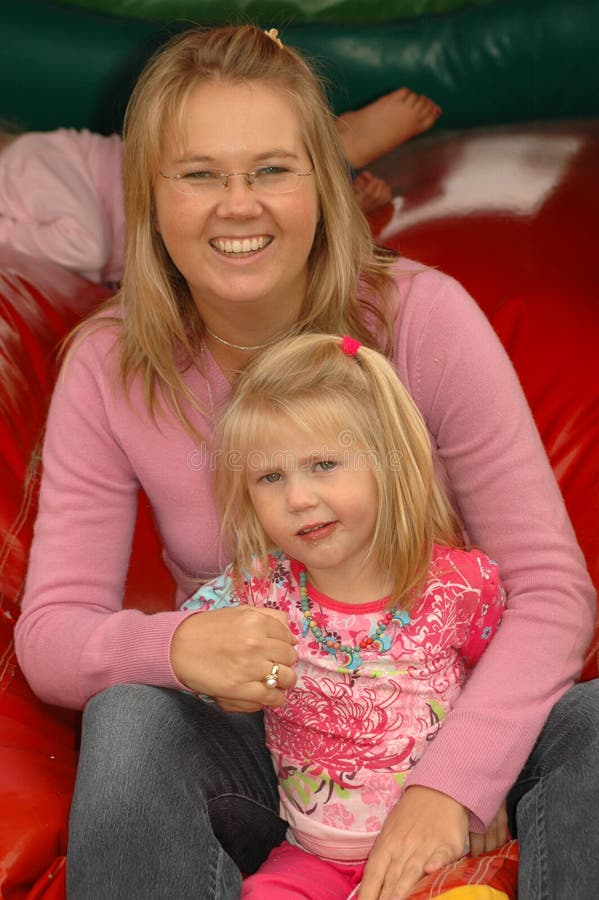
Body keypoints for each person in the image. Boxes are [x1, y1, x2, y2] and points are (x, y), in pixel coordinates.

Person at [13, 22, 597, 900]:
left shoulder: (421, 318)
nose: (236, 206)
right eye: (199, 174)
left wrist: (450, 784)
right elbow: (52, 632)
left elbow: (553, 591)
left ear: (322, 183)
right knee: (128, 719)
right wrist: (176, 647)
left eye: (272, 171)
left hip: (451, 714)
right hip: (276, 750)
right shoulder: (111, 363)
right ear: (149, 196)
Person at [180, 332, 507, 899]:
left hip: (435, 857)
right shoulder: (256, 586)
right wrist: (214, 683)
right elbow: (187, 654)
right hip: (307, 857)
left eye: (324, 464)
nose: (299, 498)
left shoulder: (461, 584)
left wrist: (486, 783)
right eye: (270, 477)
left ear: (390, 464)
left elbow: (504, 687)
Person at [0, 83, 438, 281]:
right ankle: (330, 208)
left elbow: (82, 246)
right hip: (162, 245)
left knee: (236, 185)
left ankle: (338, 149)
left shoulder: (25, 161)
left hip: (175, 181)